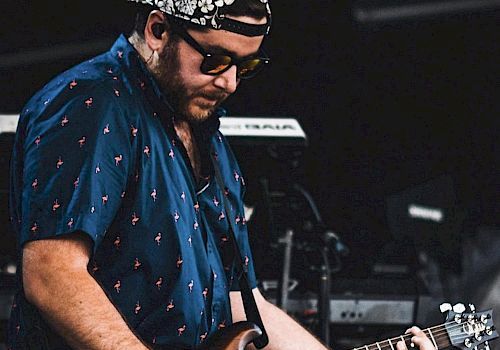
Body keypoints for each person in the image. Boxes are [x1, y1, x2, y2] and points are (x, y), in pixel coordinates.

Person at [7, 0, 437, 349]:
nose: (230, 82)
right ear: (158, 30)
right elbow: (53, 276)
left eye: (245, 66)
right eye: (215, 60)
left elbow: (240, 306)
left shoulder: (207, 136)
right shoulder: (92, 102)